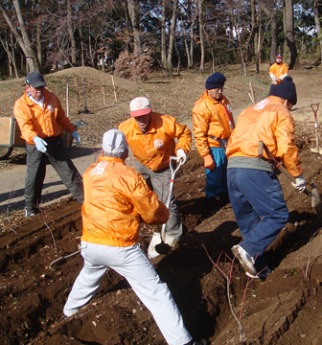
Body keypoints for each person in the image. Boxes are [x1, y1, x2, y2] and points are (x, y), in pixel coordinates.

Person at [63, 129, 198, 345]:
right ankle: (183, 342)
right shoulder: (128, 174)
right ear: (125, 152)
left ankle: (68, 314)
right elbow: (151, 211)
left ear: (102, 149)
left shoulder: (90, 171)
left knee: (88, 277)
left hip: (89, 242)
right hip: (120, 247)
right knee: (156, 292)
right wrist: (162, 216)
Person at [226, 76, 306, 278]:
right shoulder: (281, 111)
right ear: (288, 101)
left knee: (249, 222)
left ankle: (258, 268)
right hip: (254, 168)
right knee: (277, 214)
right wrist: (297, 175)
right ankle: (248, 249)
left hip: (232, 168)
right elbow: (286, 147)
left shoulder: (249, 110)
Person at [118, 97, 191, 257]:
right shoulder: (125, 128)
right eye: (137, 117)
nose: (141, 120)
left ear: (150, 112)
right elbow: (118, 147)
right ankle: (138, 223)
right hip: (142, 164)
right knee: (135, 195)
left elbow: (185, 133)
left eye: (144, 115)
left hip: (163, 165)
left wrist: (181, 149)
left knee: (166, 201)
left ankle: (173, 232)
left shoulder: (165, 123)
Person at [14, 72, 84, 217]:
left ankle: (86, 201)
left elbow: (61, 118)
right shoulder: (21, 105)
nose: (40, 91)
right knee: (34, 176)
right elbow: (25, 126)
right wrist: (35, 138)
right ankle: (31, 209)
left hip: (54, 141)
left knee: (69, 172)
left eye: (42, 87)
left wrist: (72, 130)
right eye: (36, 88)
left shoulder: (52, 98)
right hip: (35, 143)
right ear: (28, 87)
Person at [192, 72, 235, 207]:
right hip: (214, 147)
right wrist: (206, 155)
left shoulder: (224, 100)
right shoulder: (202, 107)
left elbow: (230, 122)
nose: (219, 91)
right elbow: (199, 134)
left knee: (227, 175)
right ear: (208, 89)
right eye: (216, 88)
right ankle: (213, 205)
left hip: (228, 143)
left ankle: (226, 200)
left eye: (221, 88)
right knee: (214, 178)